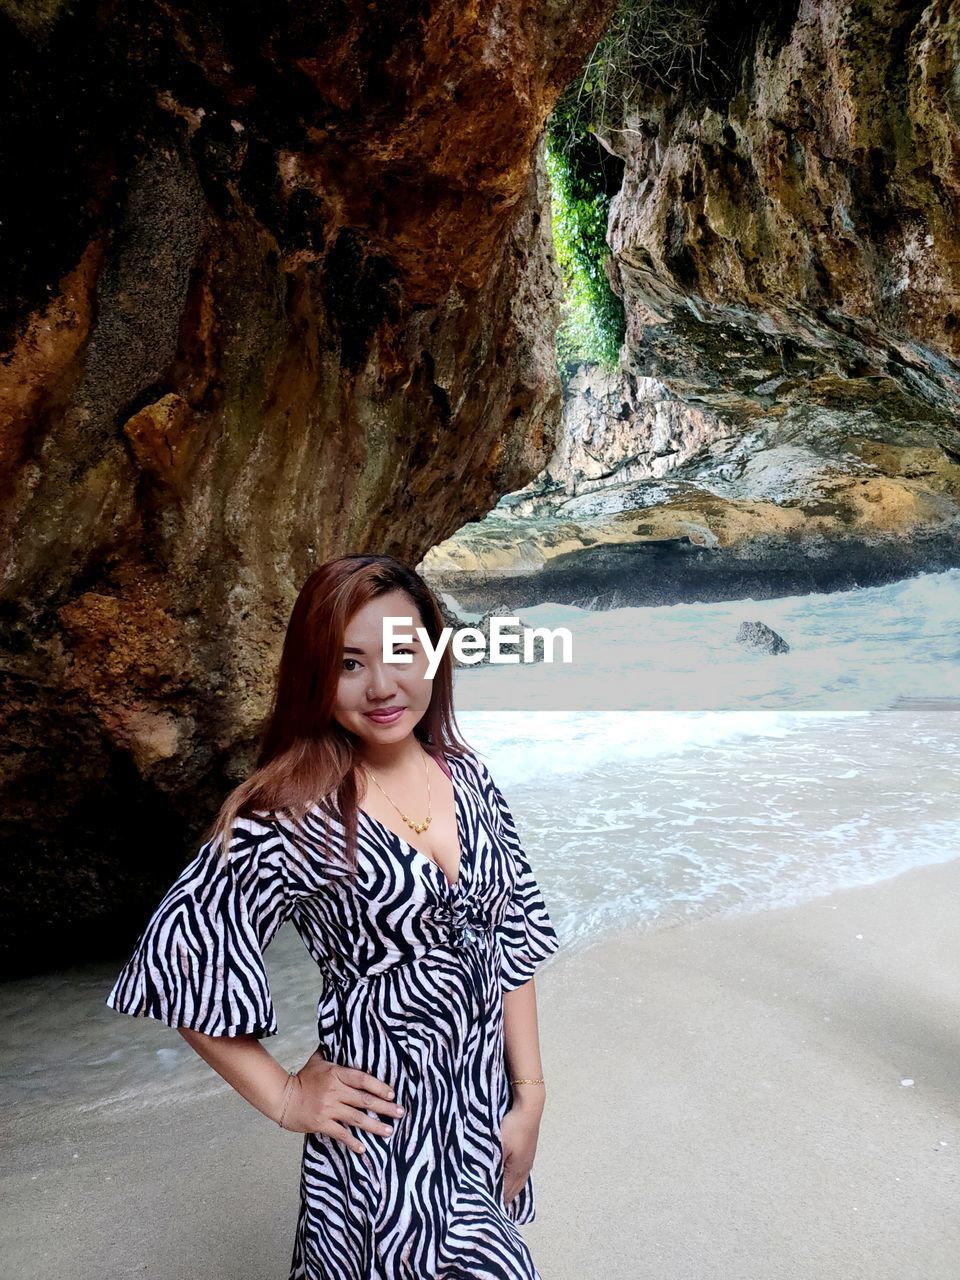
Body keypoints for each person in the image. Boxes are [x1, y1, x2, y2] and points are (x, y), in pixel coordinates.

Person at [105, 554, 561, 1280]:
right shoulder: (291, 811)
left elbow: (513, 938)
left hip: (479, 1118)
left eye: (403, 653)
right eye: (350, 663)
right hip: (378, 1140)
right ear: (315, 674)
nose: (382, 686)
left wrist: (531, 1095)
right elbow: (177, 959)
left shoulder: (467, 776)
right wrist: (287, 1097)